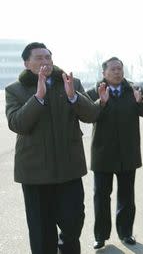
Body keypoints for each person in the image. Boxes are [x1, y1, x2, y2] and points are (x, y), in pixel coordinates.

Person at [5, 42, 98, 254]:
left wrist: (73, 97)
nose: (45, 61)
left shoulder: (70, 83)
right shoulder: (15, 90)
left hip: (69, 169)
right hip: (35, 173)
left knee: (73, 223)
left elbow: (92, 115)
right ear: (27, 63)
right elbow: (17, 123)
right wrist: (38, 97)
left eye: (48, 57)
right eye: (39, 58)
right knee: (41, 232)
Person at [86, 57, 143, 249]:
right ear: (104, 73)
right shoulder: (94, 91)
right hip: (103, 153)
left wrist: (140, 101)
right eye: (113, 69)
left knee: (126, 197)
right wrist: (101, 101)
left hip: (128, 154)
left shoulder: (134, 90)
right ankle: (100, 236)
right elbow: (85, 113)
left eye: (120, 69)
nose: (118, 72)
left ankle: (126, 233)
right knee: (101, 197)